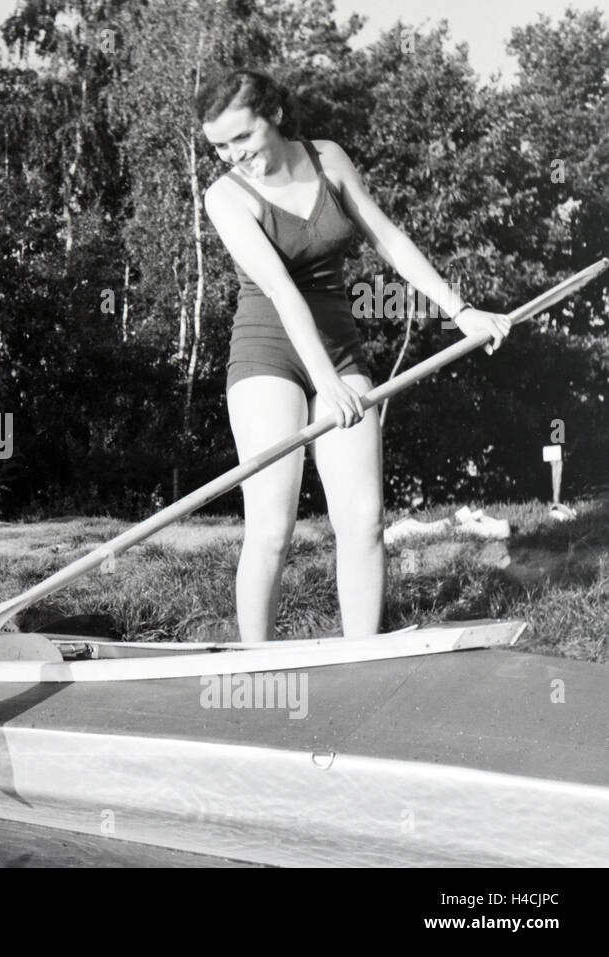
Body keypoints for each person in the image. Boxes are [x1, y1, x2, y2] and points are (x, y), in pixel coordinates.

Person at [195, 69, 511, 642]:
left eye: (242, 138)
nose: (233, 155)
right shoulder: (224, 197)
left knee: (364, 520)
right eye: (219, 146)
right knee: (271, 525)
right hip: (268, 354)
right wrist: (325, 383)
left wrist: (460, 310)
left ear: (276, 117)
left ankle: (361, 659)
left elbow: (389, 241)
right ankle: (253, 664)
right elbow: (283, 292)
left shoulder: (328, 159)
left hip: (340, 348)